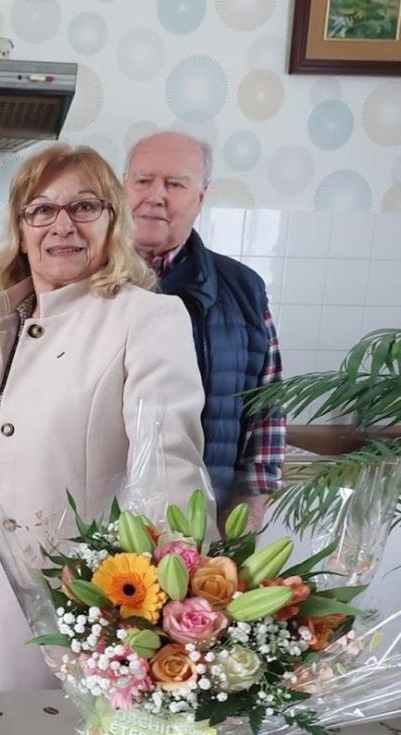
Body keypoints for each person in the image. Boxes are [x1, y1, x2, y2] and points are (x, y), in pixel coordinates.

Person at [0, 143, 207, 691]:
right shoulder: (0, 328)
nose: (62, 225)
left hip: (85, 603)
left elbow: (169, 465)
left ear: (112, 221)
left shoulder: (147, 318)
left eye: (84, 206)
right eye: (42, 209)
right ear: (21, 230)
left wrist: (173, 599)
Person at [124, 131, 284, 529]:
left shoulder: (244, 288)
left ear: (201, 196)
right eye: (143, 180)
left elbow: (267, 407)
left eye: (175, 184)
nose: (155, 195)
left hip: (204, 522)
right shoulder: (82, 280)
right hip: (92, 522)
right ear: (122, 187)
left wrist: (249, 510)